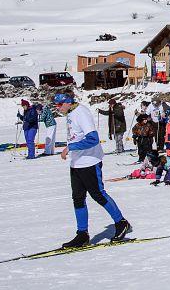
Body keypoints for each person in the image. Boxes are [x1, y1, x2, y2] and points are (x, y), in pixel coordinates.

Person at [55, 93, 130, 248]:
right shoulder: (70, 113)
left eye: (59, 104)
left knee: (98, 194)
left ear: (68, 102)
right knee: (78, 198)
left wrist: (70, 147)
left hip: (90, 161)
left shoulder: (81, 112)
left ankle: (121, 223)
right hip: (76, 163)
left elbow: (93, 139)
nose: (57, 108)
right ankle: (82, 234)